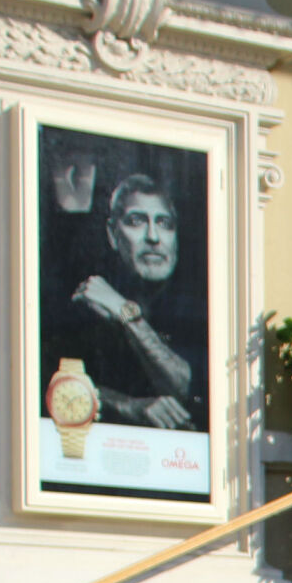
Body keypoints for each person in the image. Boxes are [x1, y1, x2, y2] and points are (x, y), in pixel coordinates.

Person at [60, 172, 204, 431]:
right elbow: (54, 383)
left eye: (164, 223)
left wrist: (123, 312)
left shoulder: (195, 309)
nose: (153, 236)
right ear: (113, 235)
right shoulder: (91, 300)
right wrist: (126, 404)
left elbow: (186, 387)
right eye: (136, 222)